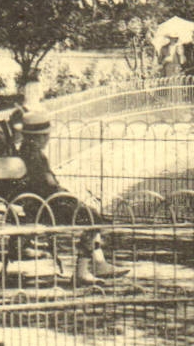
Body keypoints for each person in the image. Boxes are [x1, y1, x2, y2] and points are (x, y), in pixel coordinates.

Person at [14, 111, 123, 284]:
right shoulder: (35, 156)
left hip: (37, 204)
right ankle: (82, 271)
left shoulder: (25, 151)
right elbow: (47, 185)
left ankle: (99, 263)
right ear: (41, 137)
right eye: (47, 135)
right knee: (93, 218)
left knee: (89, 213)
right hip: (45, 207)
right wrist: (66, 194)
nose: (48, 138)